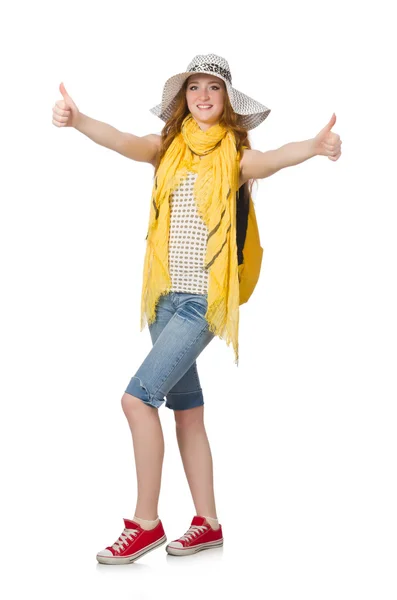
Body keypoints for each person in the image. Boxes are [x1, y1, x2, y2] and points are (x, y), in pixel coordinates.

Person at [52, 53, 342, 565]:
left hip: (203, 303)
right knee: (187, 413)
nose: (203, 96)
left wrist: (315, 148)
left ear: (228, 99)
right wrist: (79, 122)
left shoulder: (236, 155)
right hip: (163, 299)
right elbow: (122, 139)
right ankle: (207, 523)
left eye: (213, 87)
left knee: (136, 401)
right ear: (183, 98)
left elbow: (275, 157)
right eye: (194, 88)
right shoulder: (167, 149)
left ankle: (145, 523)